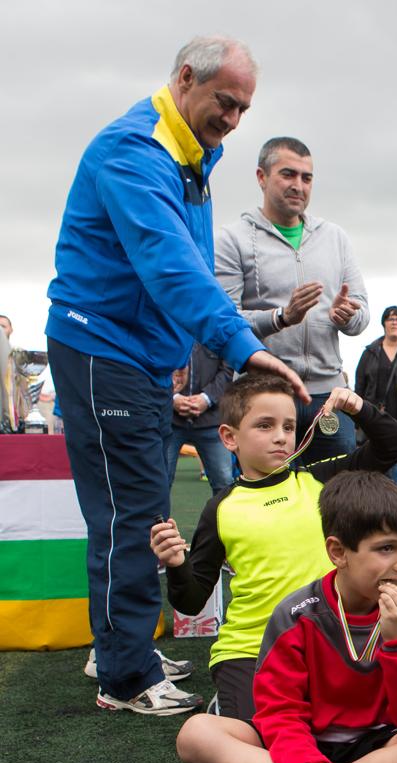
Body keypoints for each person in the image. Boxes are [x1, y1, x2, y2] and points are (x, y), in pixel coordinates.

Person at [46, 36, 308, 715]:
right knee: (128, 514)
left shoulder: (193, 155)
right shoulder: (135, 152)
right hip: (103, 350)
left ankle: (121, 646)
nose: (234, 120)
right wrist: (243, 346)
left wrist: (173, 360)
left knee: (144, 505)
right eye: (226, 102)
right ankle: (124, 676)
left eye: (245, 108)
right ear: (185, 79)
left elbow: (175, 273)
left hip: (133, 357)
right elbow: (171, 269)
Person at [173, 471, 397, 763]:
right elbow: (280, 714)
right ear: (338, 552)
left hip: (372, 751)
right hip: (300, 745)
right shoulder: (297, 615)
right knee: (196, 734)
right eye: (386, 549)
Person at [150, 373, 397, 720]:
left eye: (288, 427)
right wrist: (178, 564)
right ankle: (228, 704)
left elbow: (392, 447)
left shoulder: (319, 481)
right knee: (260, 742)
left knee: (360, 726)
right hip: (250, 649)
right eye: (265, 426)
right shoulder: (221, 509)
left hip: (328, 642)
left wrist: (358, 407)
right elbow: (192, 601)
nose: (281, 438)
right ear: (229, 437)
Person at [216, 136, 370, 465]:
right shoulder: (232, 239)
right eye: (288, 174)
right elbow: (223, 322)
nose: (298, 185)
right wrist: (281, 317)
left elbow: (361, 315)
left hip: (326, 397)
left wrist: (347, 317)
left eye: (306, 177)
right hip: (262, 394)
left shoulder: (335, 238)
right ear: (261, 177)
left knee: (335, 506)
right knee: (261, 503)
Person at [166, 343, 235, 496]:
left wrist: (207, 398)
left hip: (211, 420)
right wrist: (172, 396)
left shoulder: (215, 323)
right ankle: (159, 520)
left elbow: (228, 368)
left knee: (224, 482)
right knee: (161, 481)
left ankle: (224, 520)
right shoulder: (167, 322)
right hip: (170, 420)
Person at [355, 306, 397, 422]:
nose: (394, 322)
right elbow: (359, 387)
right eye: (390, 319)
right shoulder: (370, 352)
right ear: (384, 324)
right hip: (374, 418)